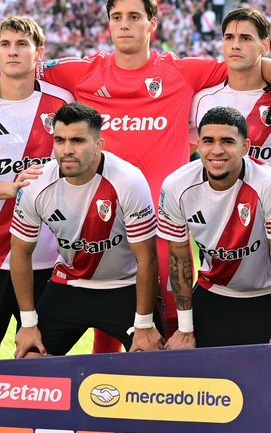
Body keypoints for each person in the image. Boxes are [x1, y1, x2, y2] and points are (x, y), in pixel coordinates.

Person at [0, 0, 271, 353]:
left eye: (134, 16)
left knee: (169, 330)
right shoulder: (83, 72)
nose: (125, 24)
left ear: (152, 24)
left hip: (163, 225)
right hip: (100, 224)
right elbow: (14, 66)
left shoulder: (182, 71)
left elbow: (251, 59)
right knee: (104, 324)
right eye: (117, 17)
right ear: (109, 24)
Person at [0, 15, 74, 361]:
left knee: (40, 360)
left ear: (39, 52)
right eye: (5, 44)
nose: (13, 51)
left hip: (47, 257)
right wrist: (17, 189)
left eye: (22, 44)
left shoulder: (62, 103)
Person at [9, 102, 164, 357]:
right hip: (69, 284)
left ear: (98, 145)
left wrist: (145, 324)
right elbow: (20, 252)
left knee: (150, 359)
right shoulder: (36, 183)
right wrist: (27, 324)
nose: (67, 150)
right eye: (60, 140)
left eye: (78, 141)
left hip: (125, 287)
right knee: (30, 358)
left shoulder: (128, 179)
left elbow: (147, 257)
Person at [160, 106, 271, 349]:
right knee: (202, 372)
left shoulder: (269, 183)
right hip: (214, 291)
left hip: (269, 295)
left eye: (227, 141)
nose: (217, 150)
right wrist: (184, 329)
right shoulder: (176, 185)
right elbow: (179, 258)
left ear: (245, 147)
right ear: (198, 144)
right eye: (208, 141)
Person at [190, 8, 271, 186]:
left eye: (245, 38)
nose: (235, 45)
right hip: (214, 204)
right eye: (229, 37)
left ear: (265, 45)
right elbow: (181, 151)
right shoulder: (201, 100)